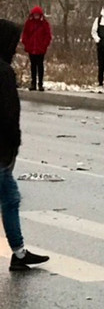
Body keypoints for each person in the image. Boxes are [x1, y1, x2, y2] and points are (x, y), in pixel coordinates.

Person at [0, 19, 50, 271]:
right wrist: (12, 148)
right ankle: (19, 254)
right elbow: (9, 115)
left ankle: (19, 254)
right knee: (10, 199)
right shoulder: (4, 73)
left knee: (10, 198)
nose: (16, 47)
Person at [21, 6, 52, 91]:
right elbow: (25, 34)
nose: (36, 16)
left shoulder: (44, 24)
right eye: (35, 15)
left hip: (40, 49)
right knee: (33, 66)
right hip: (31, 48)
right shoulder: (29, 23)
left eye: (37, 15)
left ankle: (40, 84)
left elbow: (48, 35)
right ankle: (33, 83)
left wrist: (44, 45)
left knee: (40, 66)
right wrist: (26, 43)